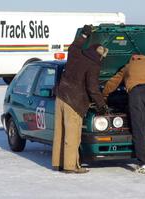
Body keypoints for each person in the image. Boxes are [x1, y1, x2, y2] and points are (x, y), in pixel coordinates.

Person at [52, 25, 109, 174]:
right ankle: (71, 166)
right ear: (101, 55)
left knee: (60, 132)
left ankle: (58, 163)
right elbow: (93, 89)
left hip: (61, 96)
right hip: (74, 101)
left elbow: (73, 46)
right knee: (72, 134)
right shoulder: (93, 66)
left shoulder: (77, 54)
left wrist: (84, 35)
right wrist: (102, 105)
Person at [102, 54, 145, 174]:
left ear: (133, 59)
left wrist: (104, 95)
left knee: (139, 129)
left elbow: (113, 83)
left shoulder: (128, 66)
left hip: (136, 94)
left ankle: (143, 164)